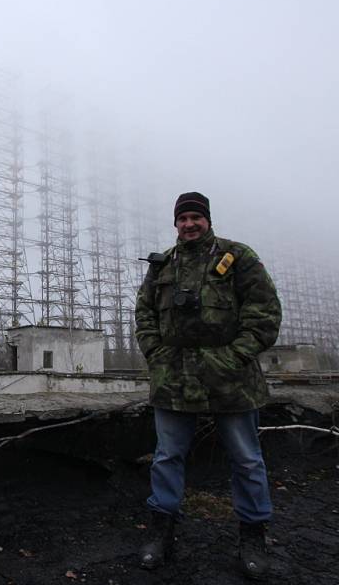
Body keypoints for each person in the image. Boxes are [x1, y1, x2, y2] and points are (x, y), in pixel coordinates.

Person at [134, 192, 281, 580]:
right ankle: (161, 533)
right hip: (174, 379)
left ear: (208, 220)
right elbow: (144, 313)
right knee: (167, 456)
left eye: (196, 217)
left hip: (232, 380)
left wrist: (232, 358)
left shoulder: (238, 257)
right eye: (182, 218)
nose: (189, 224)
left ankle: (253, 537)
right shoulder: (162, 265)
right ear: (175, 223)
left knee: (246, 459)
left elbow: (264, 314)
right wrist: (156, 354)